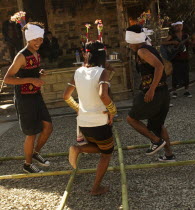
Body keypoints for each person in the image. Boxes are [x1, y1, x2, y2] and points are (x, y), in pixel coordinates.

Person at [63, 40, 117, 195]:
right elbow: (103, 95)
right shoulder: (102, 72)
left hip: (83, 122)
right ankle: (95, 188)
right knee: (106, 153)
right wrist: (113, 110)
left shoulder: (78, 72)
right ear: (103, 55)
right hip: (99, 121)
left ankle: (78, 149)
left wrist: (79, 108)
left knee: (100, 147)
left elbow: (66, 96)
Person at [3, 22, 53, 173]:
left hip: (36, 96)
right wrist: (31, 80)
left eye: (40, 39)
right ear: (28, 39)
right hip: (24, 98)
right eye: (35, 39)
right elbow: (7, 78)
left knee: (48, 127)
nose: (38, 42)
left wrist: (39, 73)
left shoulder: (36, 53)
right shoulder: (21, 56)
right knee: (31, 133)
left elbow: (31, 73)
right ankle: (27, 164)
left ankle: (35, 153)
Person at [125, 25, 175, 161]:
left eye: (129, 42)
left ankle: (155, 141)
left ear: (134, 41)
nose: (129, 45)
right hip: (163, 91)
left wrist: (152, 89)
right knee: (158, 124)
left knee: (131, 118)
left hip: (154, 92)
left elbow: (159, 66)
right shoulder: (148, 48)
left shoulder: (142, 51)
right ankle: (169, 154)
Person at [161, 21, 192, 98]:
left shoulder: (185, 36)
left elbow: (190, 43)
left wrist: (190, 41)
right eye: (177, 26)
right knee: (175, 75)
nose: (179, 27)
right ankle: (174, 91)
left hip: (185, 57)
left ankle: (186, 91)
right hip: (175, 58)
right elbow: (163, 43)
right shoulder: (172, 36)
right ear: (174, 27)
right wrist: (173, 42)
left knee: (186, 74)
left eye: (180, 26)